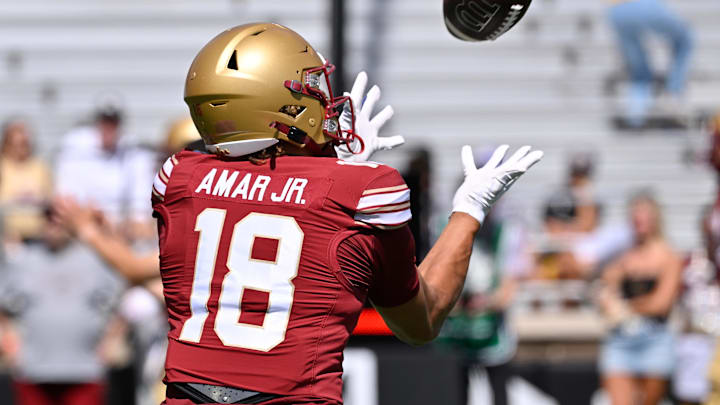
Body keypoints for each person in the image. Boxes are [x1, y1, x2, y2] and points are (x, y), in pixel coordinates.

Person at [151, 22, 542, 405]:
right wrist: (468, 212)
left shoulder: (177, 178)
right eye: (312, 89)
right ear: (284, 106)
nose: (325, 100)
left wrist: (329, 166)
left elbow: (261, 196)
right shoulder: (366, 192)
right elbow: (422, 320)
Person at [0, 205, 126, 405]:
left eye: (61, 219)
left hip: (85, 369)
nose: (54, 225)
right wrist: (9, 341)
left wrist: (111, 340)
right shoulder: (24, 260)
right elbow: (4, 304)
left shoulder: (94, 258)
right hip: (34, 369)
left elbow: (123, 300)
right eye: (49, 218)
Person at [597, 191, 682, 405]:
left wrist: (626, 306)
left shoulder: (668, 257)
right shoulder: (622, 255)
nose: (639, 223)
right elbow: (607, 289)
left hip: (655, 338)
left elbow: (660, 305)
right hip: (621, 339)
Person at [607, 0, 693, 128]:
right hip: (645, 5)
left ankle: (635, 117)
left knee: (640, 72)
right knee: (684, 41)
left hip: (616, 11)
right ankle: (673, 95)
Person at [0, 118, 52, 243]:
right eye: (16, 144)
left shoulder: (40, 167)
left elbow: (49, 199)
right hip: (6, 238)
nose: (21, 148)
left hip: (38, 237)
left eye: (24, 143)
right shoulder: (2, 166)